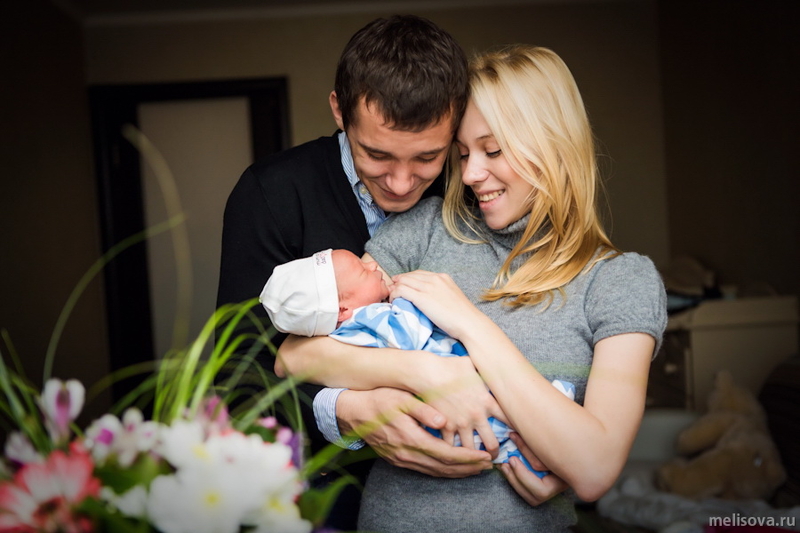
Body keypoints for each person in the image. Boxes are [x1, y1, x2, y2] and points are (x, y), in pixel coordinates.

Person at [276, 45, 668, 532]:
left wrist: (471, 325)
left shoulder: (620, 281)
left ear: (554, 144)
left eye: (493, 150)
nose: (471, 174)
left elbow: (592, 469)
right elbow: (295, 356)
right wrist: (428, 373)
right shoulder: (427, 229)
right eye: (462, 153)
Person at [216, 15, 494, 530]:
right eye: (376, 154)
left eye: (428, 157)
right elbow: (239, 378)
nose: (402, 182)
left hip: (466, 494)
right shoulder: (271, 194)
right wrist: (343, 409)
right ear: (339, 111)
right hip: (320, 492)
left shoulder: (477, 190)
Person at [259, 248, 578, 475]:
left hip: (438, 407)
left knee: (491, 428)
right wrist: (409, 298)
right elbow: (409, 333)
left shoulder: (341, 335)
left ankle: (529, 450)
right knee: (495, 409)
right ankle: (544, 433)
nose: (373, 266)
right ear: (342, 310)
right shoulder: (369, 319)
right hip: (444, 399)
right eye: (362, 270)